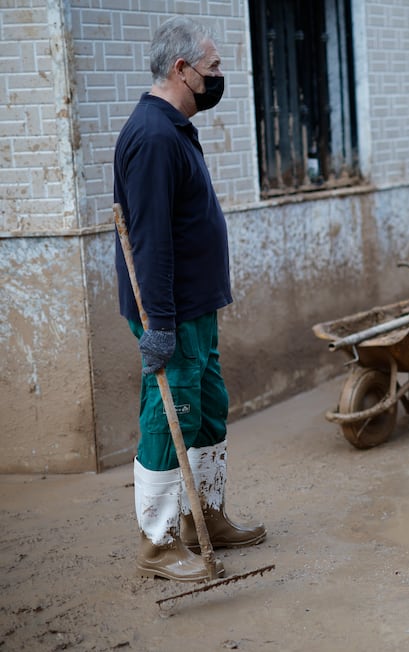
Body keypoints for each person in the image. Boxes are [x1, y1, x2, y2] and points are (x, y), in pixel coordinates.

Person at [113, 16, 265, 582]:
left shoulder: (173, 127)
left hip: (195, 309)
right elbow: (149, 241)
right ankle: (157, 542)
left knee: (206, 407)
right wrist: (159, 325)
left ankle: (207, 516)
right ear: (181, 69)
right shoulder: (153, 137)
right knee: (168, 414)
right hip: (169, 313)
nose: (219, 76)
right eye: (214, 68)